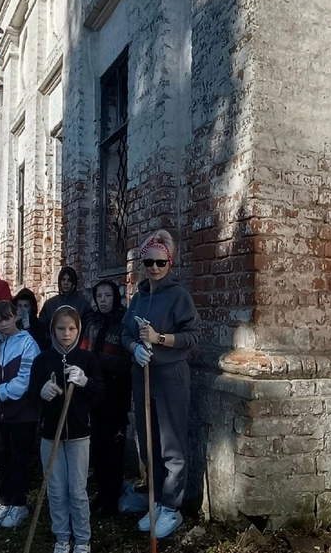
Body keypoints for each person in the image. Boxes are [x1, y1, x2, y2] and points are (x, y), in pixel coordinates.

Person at [121, 230, 201, 538]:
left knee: (171, 444)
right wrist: (134, 348)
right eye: (149, 262)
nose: (154, 268)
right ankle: (155, 499)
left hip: (170, 377)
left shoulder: (178, 296)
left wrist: (160, 339)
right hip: (143, 376)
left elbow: (192, 336)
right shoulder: (139, 297)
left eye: (160, 263)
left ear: (170, 264)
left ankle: (171, 506)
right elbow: (125, 332)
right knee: (148, 441)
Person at [29, 306, 104, 553]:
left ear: (78, 329)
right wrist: (41, 392)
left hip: (79, 434)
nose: (66, 334)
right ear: (52, 330)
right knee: (55, 488)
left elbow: (100, 395)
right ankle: (62, 537)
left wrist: (85, 382)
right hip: (50, 434)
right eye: (61, 328)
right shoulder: (42, 360)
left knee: (77, 490)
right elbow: (31, 395)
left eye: (71, 328)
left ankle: (82, 539)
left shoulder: (87, 359)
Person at [0, 300, 40, 529]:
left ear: (16, 317)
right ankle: (4, 501)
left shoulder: (27, 343)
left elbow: (25, 379)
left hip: (21, 413)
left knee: (18, 460)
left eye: (7, 318)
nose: (3, 324)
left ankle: (19, 503)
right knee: (1, 459)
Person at [81, 280, 132, 516]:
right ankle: (101, 492)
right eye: (99, 296)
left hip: (116, 393)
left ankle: (113, 495)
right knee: (98, 444)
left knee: (113, 445)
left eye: (107, 296)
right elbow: (83, 351)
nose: (103, 300)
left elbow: (127, 361)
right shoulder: (92, 323)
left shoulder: (123, 324)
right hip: (94, 393)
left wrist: (99, 360)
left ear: (115, 298)